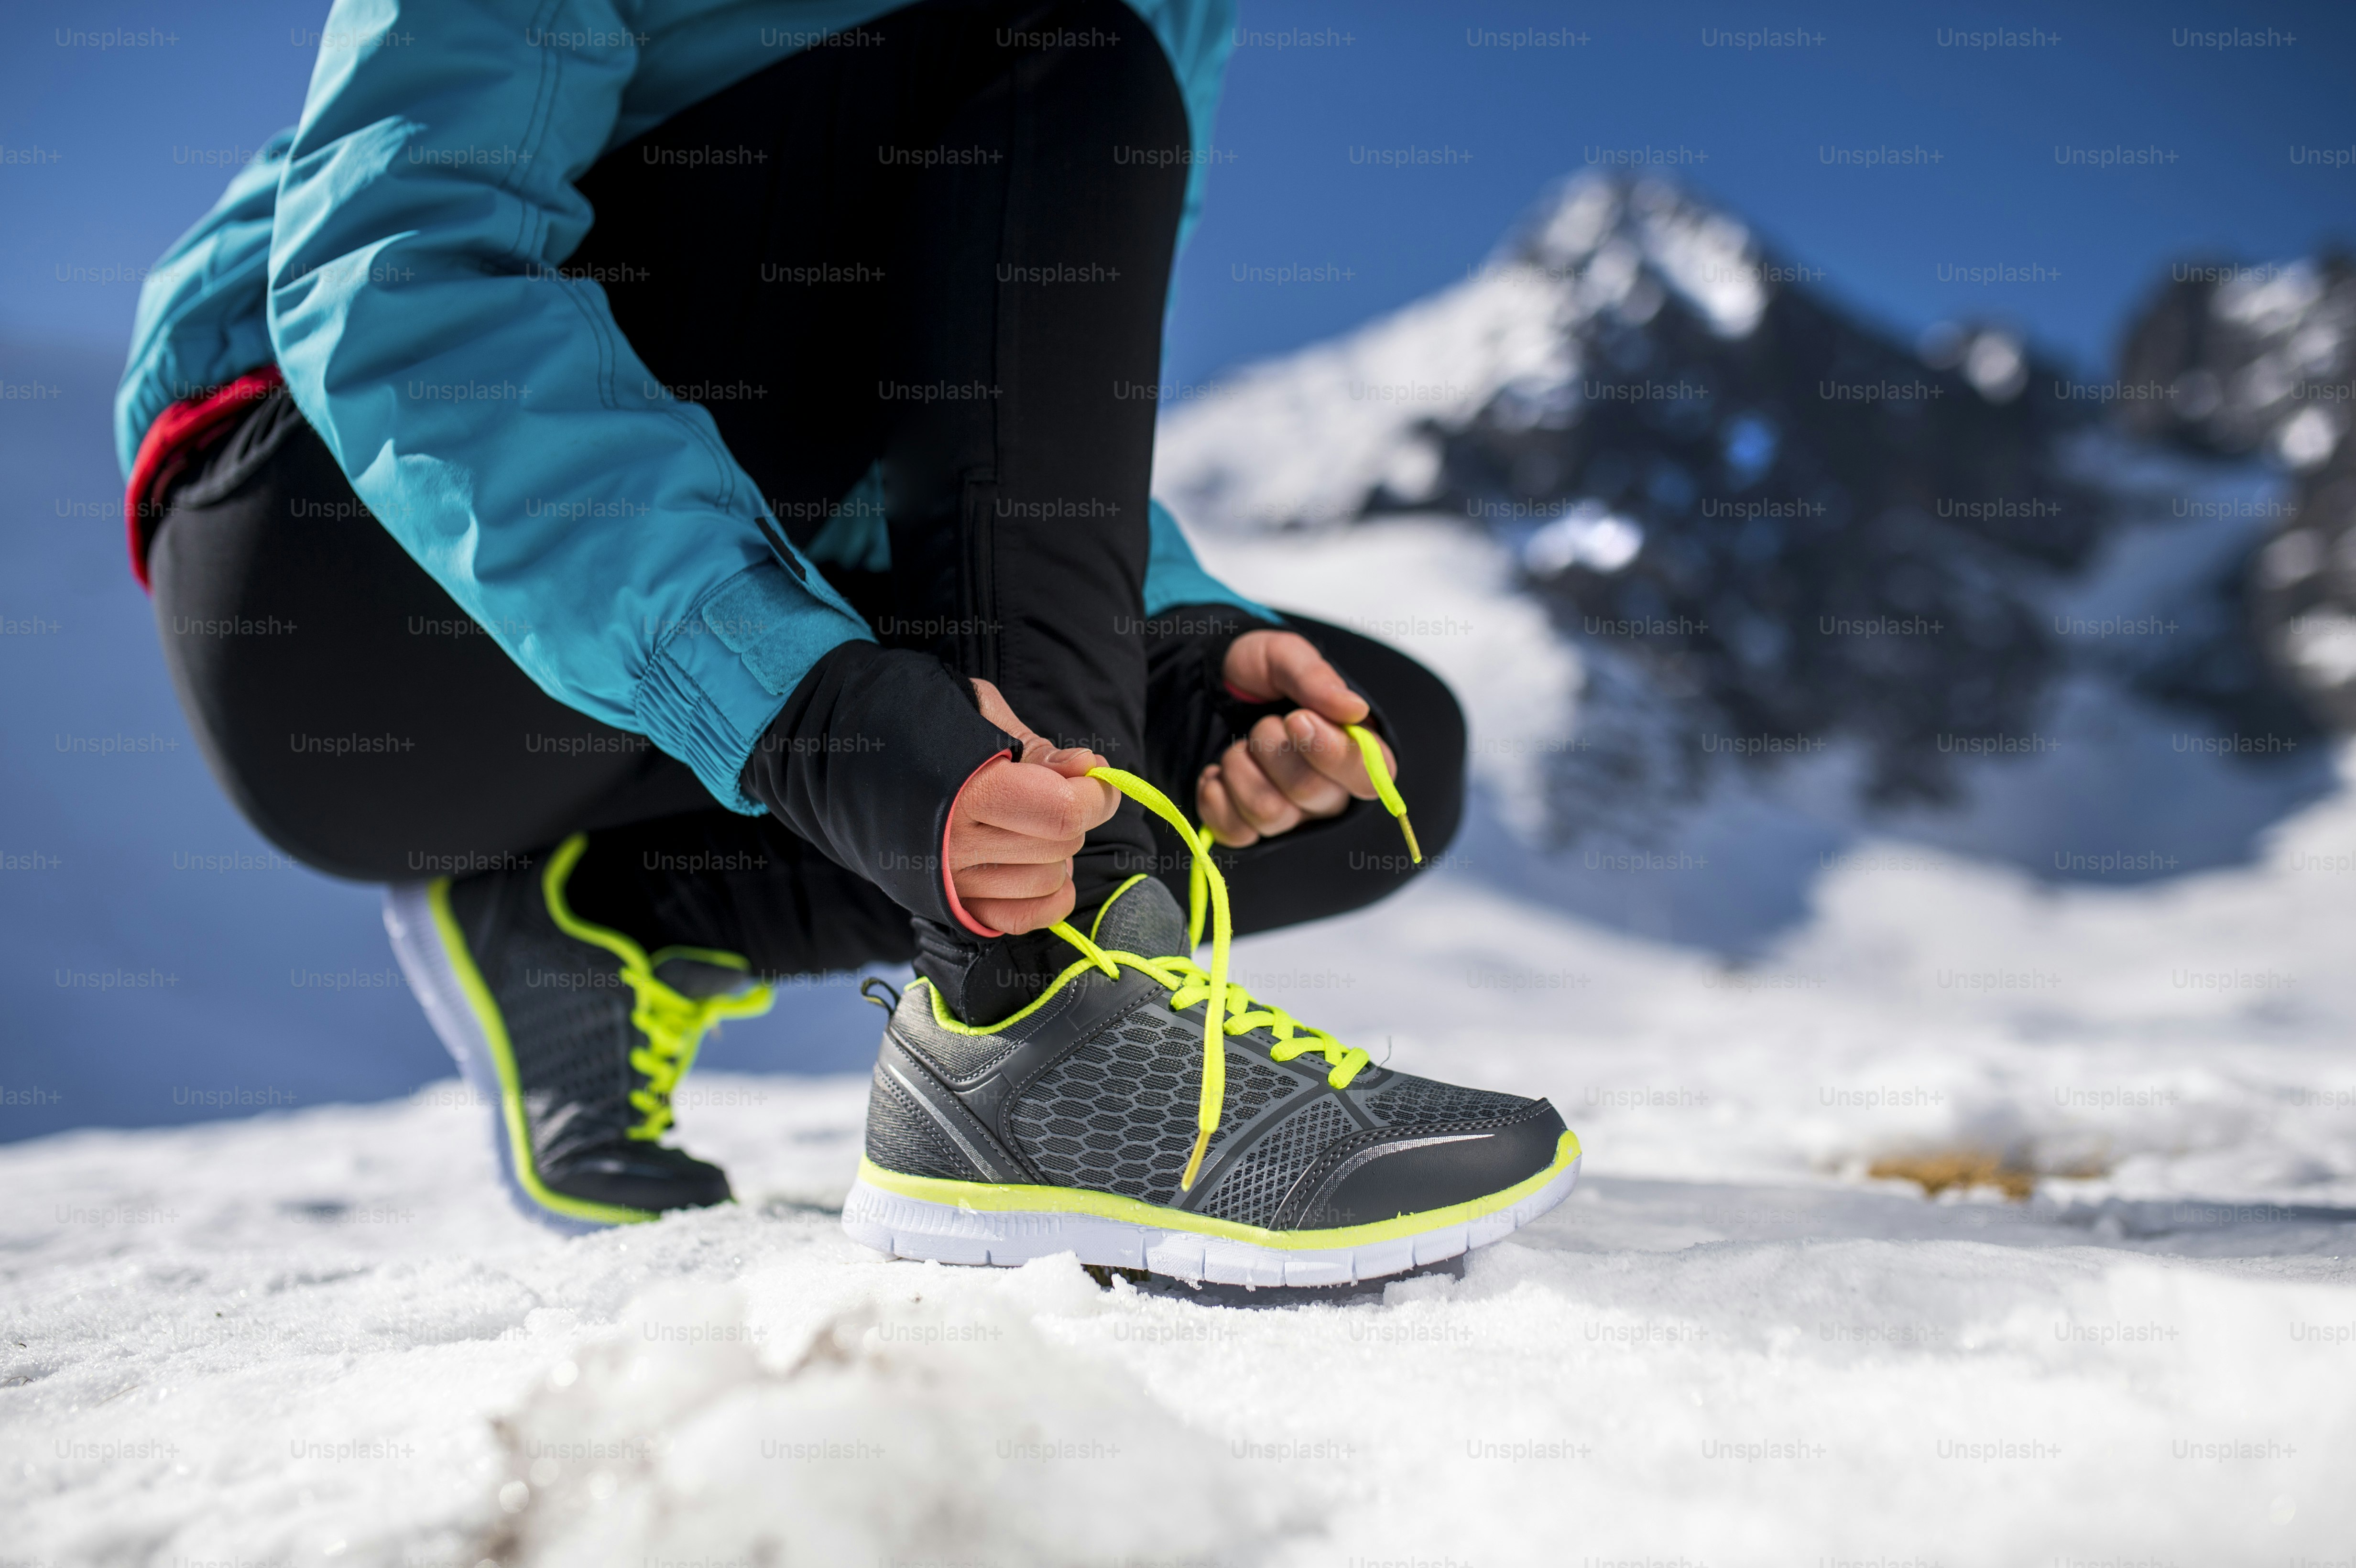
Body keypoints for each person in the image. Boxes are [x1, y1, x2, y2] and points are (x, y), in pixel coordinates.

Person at [118, 0, 1577, 1284]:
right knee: (1069, 45)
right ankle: (1042, 1018)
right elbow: (403, 264)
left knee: (1382, 766)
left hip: (679, 576)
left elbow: (999, 389)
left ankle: (610, 914)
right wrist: (809, 709)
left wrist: (1173, 640)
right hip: (348, 567)